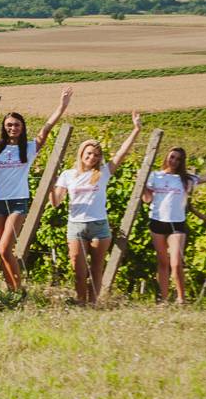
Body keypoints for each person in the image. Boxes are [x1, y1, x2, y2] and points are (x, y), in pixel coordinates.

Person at [0, 87, 72, 292]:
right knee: (1, 251)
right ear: (4, 128)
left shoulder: (29, 148)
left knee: (6, 248)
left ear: (22, 127)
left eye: (16, 125)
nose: (12, 128)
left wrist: (61, 106)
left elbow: (46, 130)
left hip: (18, 202)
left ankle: (19, 288)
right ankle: (10, 291)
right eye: (9, 125)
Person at [50, 115, 144, 307]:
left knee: (96, 269)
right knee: (78, 269)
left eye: (95, 154)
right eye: (89, 153)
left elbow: (121, 154)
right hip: (76, 226)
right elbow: (56, 202)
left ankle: (92, 304)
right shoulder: (68, 175)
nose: (92, 157)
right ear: (81, 153)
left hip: (99, 226)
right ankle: (81, 301)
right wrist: (50, 187)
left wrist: (136, 130)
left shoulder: (103, 173)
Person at [142, 144, 206, 304]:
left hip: (177, 224)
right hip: (157, 222)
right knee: (162, 263)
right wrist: (143, 186)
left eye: (178, 159)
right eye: (172, 157)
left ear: (182, 161)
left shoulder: (187, 179)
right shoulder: (155, 176)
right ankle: (163, 300)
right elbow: (147, 199)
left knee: (176, 263)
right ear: (166, 157)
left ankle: (181, 299)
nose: (174, 161)